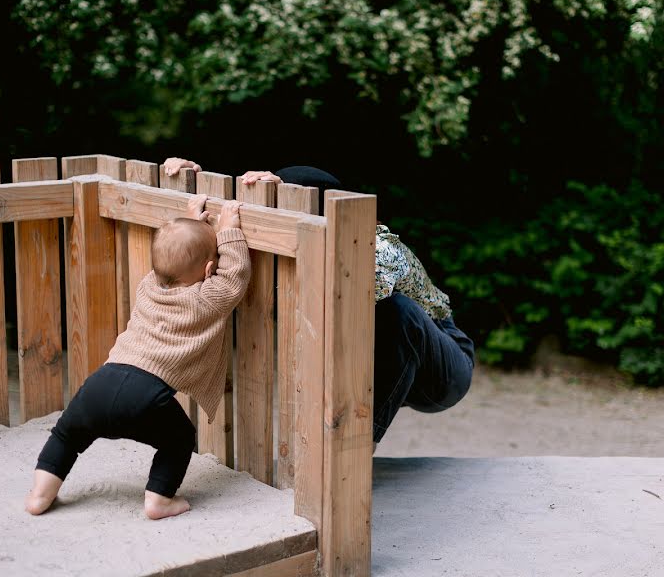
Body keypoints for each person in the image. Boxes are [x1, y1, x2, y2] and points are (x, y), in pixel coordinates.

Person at [164, 158, 474, 447]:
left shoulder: (378, 244)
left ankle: (356, 448)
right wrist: (189, 179)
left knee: (398, 310)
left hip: (441, 366)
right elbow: (222, 236)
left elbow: (345, 297)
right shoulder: (292, 249)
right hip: (378, 357)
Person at [24, 195, 251, 519]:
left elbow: (172, 262)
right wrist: (228, 232)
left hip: (99, 385)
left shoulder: (148, 287)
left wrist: (190, 222)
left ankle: (39, 495)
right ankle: (159, 499)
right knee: (180, 438)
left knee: (66, 434)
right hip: (146, 396)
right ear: (209, 268)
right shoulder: (205, 298)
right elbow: (234, 279)